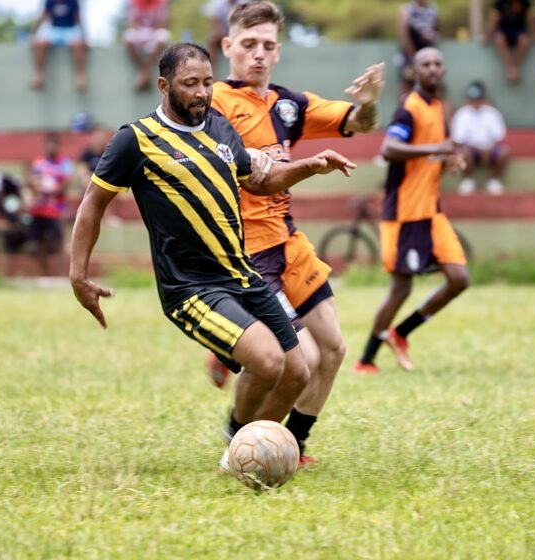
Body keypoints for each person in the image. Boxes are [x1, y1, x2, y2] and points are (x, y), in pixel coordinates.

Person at [69, 43, 356, 469]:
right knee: (269, 360)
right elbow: (92, 205)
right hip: (191, 288)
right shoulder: (137, 139)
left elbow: (259, 180)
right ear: (165, 86)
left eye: (207, 82)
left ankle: (240, 450)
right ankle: (240, 450)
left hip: (243, 275)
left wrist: (310, 166)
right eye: (190, 84)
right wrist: (78, 276)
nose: (202, 92)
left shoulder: (220, 128)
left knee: (298, 371)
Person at [208, 0, 384, 466]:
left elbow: (357, 122)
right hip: (242, 254)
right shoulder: (214, 104)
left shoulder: (289, 106)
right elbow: (242, 174)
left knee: (334, 347)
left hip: (288, 244)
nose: (258, 55)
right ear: (228, 46)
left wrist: (368, 103)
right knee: (295, 360)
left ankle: (296, 445)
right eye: (248, 45)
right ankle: (238, 439)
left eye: (267, 46)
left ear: (279, 51)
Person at [353, 47, 468, 376]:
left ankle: (400, 333)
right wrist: (437, 149)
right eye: (425, 64)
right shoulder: (409, 106)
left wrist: (451, 159)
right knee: (401, 288)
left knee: (459, 279)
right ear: (415, 71)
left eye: (437, 63)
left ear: (443, 70)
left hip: (432, 211)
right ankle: (366, 359)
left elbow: (436, 154)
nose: (432, 68)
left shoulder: (438, 107)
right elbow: (389, 149)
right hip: (404, 213)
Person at [450, 80, 509, 195]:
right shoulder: (461, 113)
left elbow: (500, 138)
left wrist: (489, 149)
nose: (475, 102)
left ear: (483, 98)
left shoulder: (492, 113)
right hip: (470, 151)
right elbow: (458, 140)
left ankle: (494, 181)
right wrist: (478, 150)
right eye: (472, 99)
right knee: (463, 152)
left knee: (505, 152)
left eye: (478, 98)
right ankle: (467, 181)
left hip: (491, 149)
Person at [29, 132, 73, 275]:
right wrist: (37, 188)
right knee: (40, 242)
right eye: (48, 144)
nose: (50, 147)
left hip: (56, 208)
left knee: (58, 241)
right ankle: (44, 274)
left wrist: (52, 191)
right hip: (39, 209)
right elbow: (32, 181)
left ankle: (62, 274)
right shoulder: (38, 162)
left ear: (57, 146)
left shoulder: (64, 163)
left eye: (53, 144)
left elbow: (66, 184)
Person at [31, 0, 87, 91]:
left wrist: (84, 37)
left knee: (77, 45)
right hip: (54, 30)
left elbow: (78, 18)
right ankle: (39, 75)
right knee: (40, 43)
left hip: (70, 29)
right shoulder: (50, 1)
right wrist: (34, 34)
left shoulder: (73, 2)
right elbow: (43, 16)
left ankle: (80, 76)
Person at [484, 0, 535, 84]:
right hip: (504, 30)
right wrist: (487, 35)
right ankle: (510, 68)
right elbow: (493, 20)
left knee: (524, 40)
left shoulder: (525, 2)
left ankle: (515, 68)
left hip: (519, 30)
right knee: (499, 39)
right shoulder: (499, 3)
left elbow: (531, 18)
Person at [123, 0, 170, 91]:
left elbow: (163, 23)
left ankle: (144, 72)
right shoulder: (134, 2)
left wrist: (150, 35)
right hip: (139, 31)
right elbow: (132, 22)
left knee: (162, 36)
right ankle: (146, 72)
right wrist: (142, 36)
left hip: (154, 32)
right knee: (128, 37)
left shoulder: (161, 2)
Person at [397, 0, 439, 95]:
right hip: (410, 55)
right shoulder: (407, 10)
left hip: (428, 51)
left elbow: (437, 29)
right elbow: (404, 36)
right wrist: (413, 56)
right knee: (407, 81)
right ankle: (404, 108)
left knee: (430, 82)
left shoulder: (433, 10)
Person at [202, 0, 249, 70]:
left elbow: (246, 23)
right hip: (222, 34)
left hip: (238, 33)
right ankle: (212, 71)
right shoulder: (218, 4)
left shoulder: (244, 3)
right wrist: (223, 34)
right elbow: (215, 24)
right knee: (212, 39)